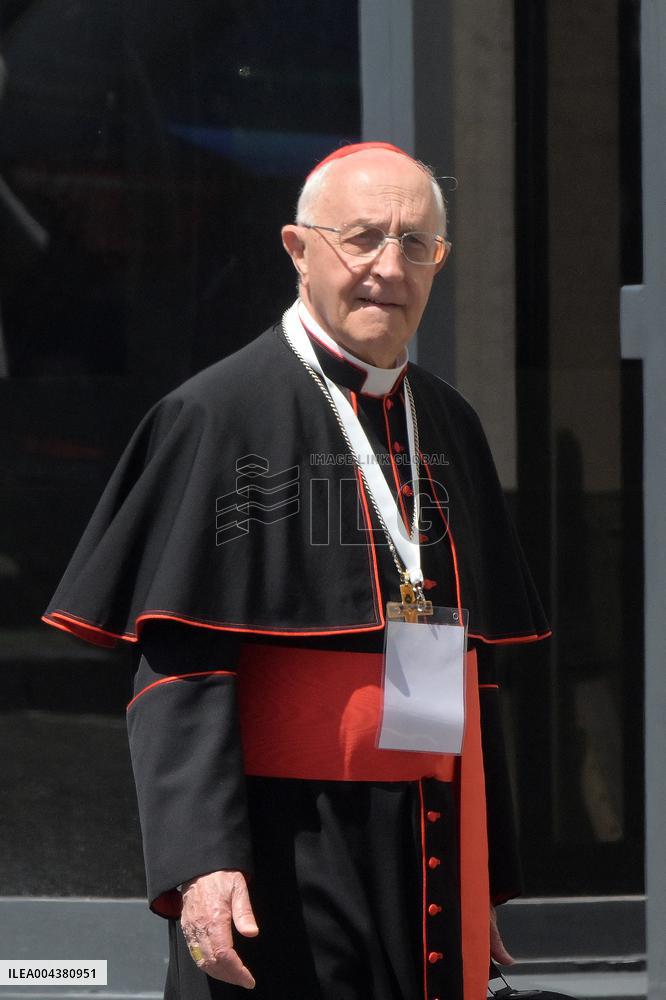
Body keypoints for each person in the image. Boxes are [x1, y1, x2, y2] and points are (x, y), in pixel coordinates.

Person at [44, 142, 550, 1000]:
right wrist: (202, 863)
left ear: (441, 262)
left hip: (428, 848)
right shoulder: (216, 415)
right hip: (282, 849)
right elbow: (180, 667)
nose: (389, 267)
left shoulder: (451, 422)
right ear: (297, 248)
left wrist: (482, 872)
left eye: (416, 244)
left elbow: (476, 667)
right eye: (363, 238)